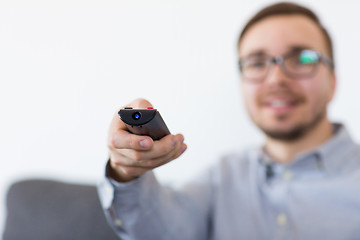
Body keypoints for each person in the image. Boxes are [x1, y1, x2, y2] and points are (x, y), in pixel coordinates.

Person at [98, 2, 360, 239]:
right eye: (257, 63)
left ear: (333, 82)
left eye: (303, 58)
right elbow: (162, 232)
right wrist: (127, 173)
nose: (276, 78)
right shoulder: (221, 178)